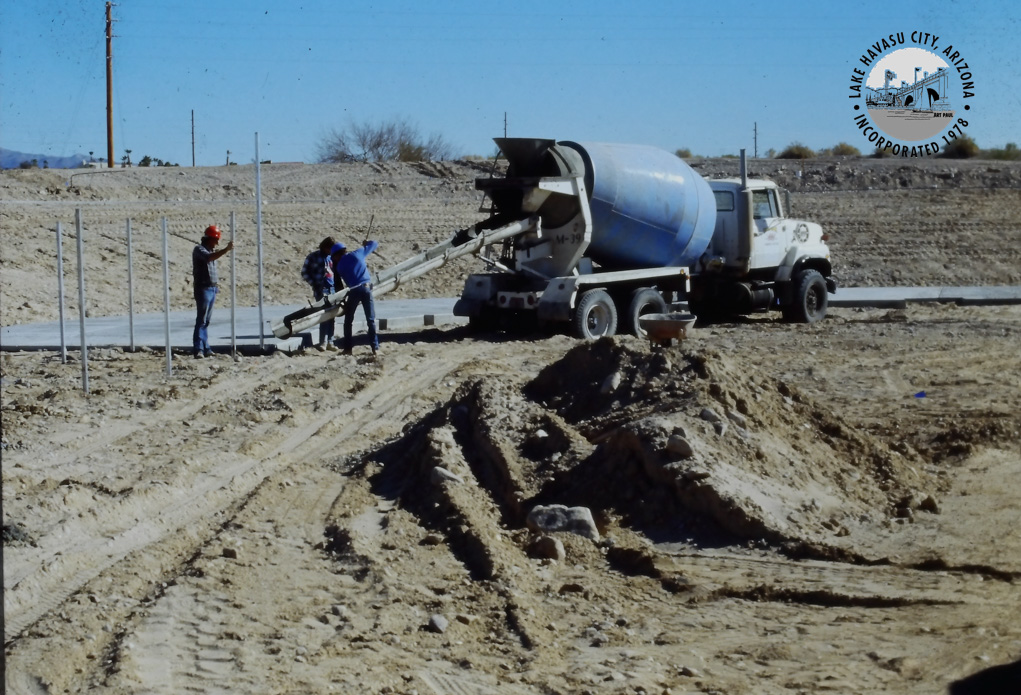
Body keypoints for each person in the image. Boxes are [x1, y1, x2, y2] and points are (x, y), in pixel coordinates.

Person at [191, 225, 234, 358]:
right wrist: (226, 250)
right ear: (210, 239)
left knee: (206, 320)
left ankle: (206, 347)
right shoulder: (199, 250)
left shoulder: (210, 250)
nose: (217, 243)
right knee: (201, 320)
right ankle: (198, 348)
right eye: (216, 240)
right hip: (203, 288)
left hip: (212, 288)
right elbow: (209, 258)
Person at [331, 239, 379, 357]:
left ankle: (348, 349)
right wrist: (366, 244)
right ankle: (375, 348)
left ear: (337, 255)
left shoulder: (339, 267)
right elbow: (374, 244)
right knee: (371, 320)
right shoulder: (357, 253)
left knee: (348, 321)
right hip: (367, 288)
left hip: (354, 291)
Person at [301, 236, 339, 351]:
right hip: (320, 289)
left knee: (332, 315)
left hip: (332, 289)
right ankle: (322, 341)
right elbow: (304, 272)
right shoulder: (313, 257)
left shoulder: (333, 257)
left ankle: (330, 341)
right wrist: (314, 283)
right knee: (323, 315)